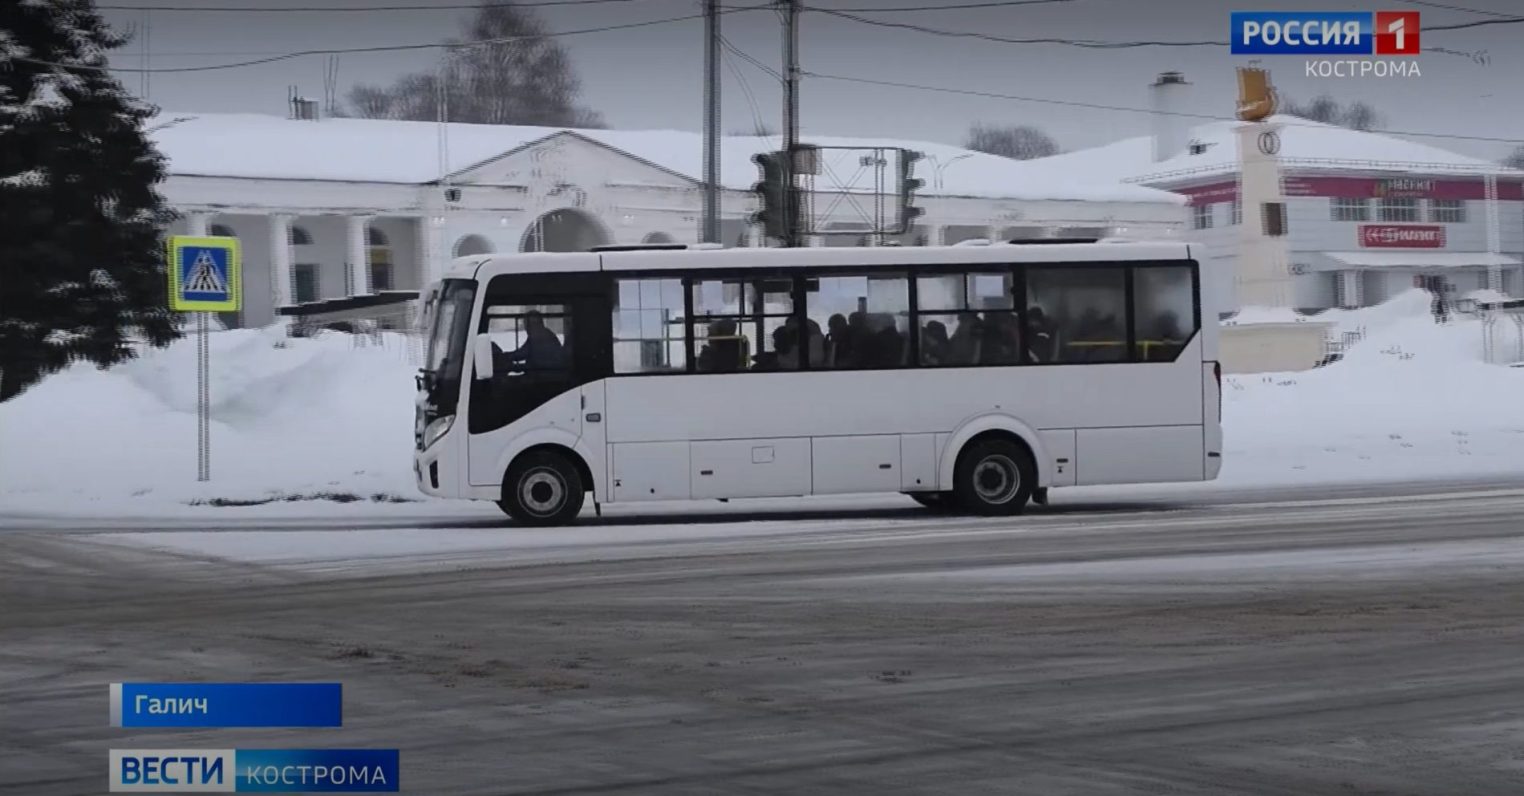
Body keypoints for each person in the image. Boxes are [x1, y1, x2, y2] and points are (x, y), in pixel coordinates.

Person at [497, 311, 566, 372]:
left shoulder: (541, 336)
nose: (526, 328)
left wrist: (504, 357)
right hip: (542, 373)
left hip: (545, 376)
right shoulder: (541, 334)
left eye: (527, 324)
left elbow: (523, 354)